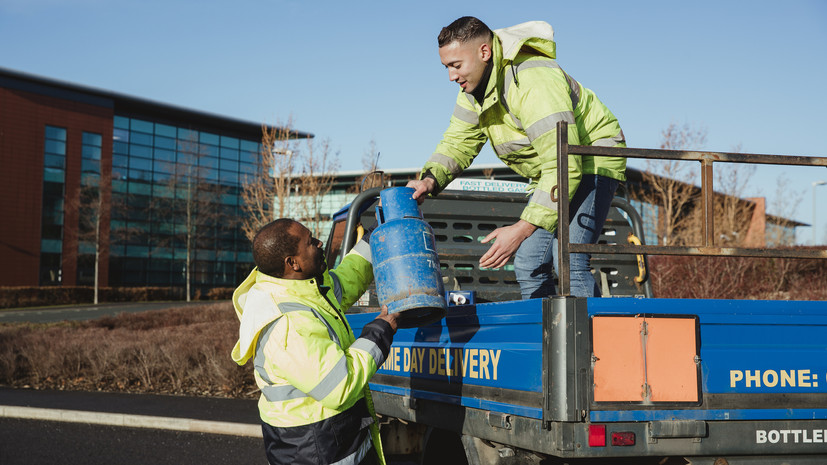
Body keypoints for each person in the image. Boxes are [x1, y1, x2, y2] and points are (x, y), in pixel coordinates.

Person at [407, 16, 627, 298]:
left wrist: (522, 229)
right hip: (556, 168)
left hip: (592, 158)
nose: (451, 76)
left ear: (484, 52)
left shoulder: (532, 81)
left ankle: (586, 342)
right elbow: (458, 141)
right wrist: (429, 180)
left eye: (456, 65)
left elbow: (565, 165)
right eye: (446, 67)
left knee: (569, 260)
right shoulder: (473, 91)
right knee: (528, 264)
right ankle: (547, 339)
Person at [231, 218, 399, 465]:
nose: (320, 243)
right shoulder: (288, 325)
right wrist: (380, 331)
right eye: (311, 242)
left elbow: (346, 278)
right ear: (293, 263)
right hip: (316, 450)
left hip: (325, 442)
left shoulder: (299, 288)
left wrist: (373, 237)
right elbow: (339, 385)